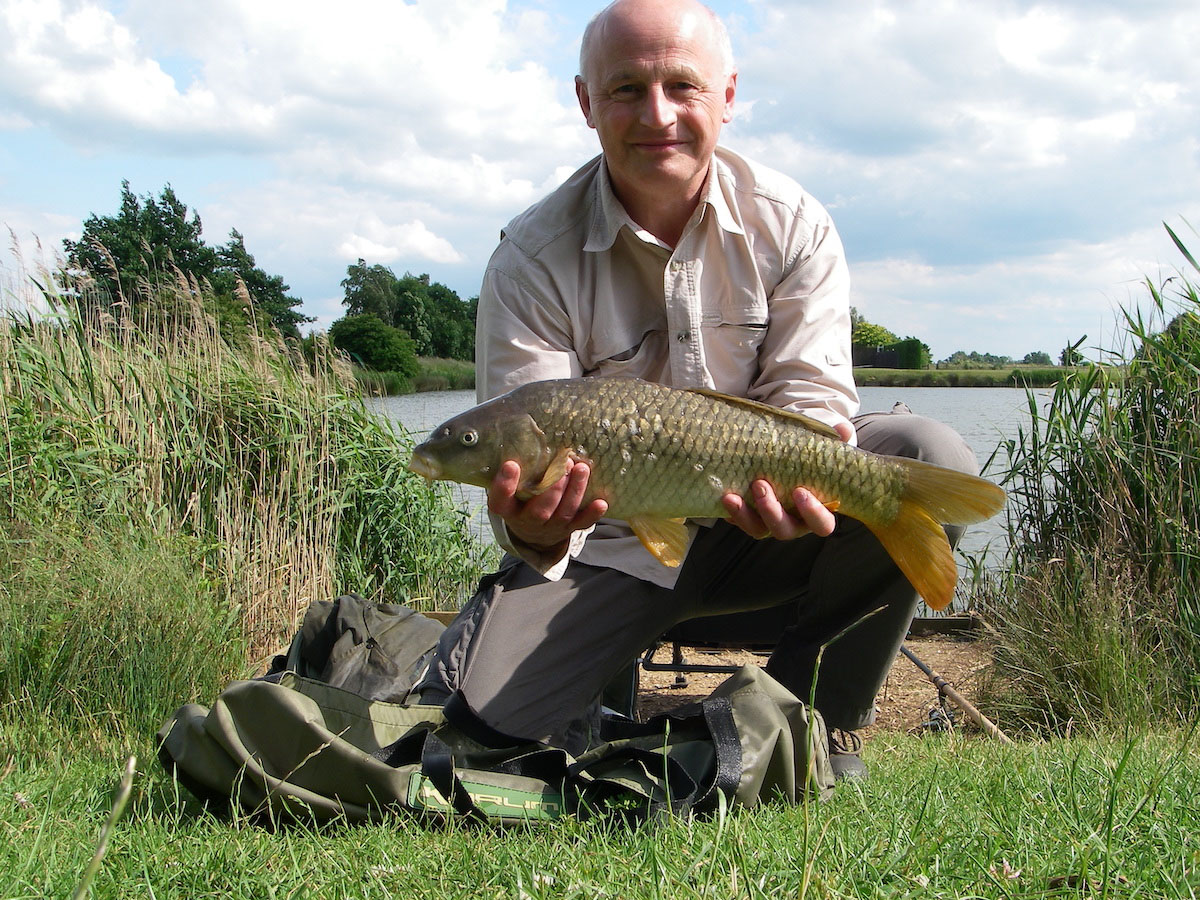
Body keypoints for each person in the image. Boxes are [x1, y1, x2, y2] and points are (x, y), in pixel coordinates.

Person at [416, 0, 979, 779]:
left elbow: (813, 401)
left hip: (763, 531)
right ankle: (596, 704)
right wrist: (540, 531)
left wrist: (805, 486)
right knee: (493, 725)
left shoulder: (794, 223)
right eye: (624, 90)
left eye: (682, 85)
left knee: (921, 449)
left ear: (728, 96)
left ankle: (809, 723)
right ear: (585, 102)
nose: (657, 115)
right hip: (607, 553)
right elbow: (528, 465)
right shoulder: (531, 258)